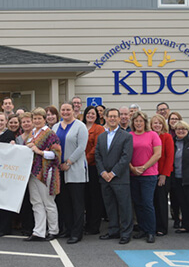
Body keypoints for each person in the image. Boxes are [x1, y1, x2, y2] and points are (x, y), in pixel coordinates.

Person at [96, 108, 134, 245]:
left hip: (120, 178)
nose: (112, 119)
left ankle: (125, 233)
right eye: (110, 116)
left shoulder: (126, 136)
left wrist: (113, 173)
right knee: (110, 206)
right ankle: (113, 230)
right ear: (105, 118)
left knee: (124, 207)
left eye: (115, 116)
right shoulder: (101, 136)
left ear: (119, 119)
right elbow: (97, 156)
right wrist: (103, 172)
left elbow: (126, 157)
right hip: (104, 178)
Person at [53, 102, 88, 244]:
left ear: (73, 111)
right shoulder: (55, 127)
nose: (66, 112)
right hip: (59, 170)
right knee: (64, 202)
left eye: (68, 110)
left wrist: (68, 162)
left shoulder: (80, 126)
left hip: (75, 170)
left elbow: (81, 147)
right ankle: (67, 229)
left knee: (77, 203)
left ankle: (77, 232)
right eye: (63, 110)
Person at [25, 107, 61, 242]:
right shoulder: (31, 134)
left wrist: (39, 152)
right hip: (33, 172)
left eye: (39, 118)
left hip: (46, 172)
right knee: (36, 202)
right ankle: (38, 231)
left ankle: (53, 230)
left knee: (48, 202)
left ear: (44, 119)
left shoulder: (50, 134)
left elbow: (56, 154)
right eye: (35, 118)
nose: (37, 120)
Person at [129, 111, 161, 244]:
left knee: (148, 203)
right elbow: (125, 154)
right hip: (133, 174)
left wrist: (143, 167)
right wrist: (132, 168)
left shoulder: (152, 135)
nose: (138, 123)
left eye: (141, 121)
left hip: (149, 175)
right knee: (138, 203)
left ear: (145, 122)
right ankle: (142, 229)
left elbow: (157, 154)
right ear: (133, 123)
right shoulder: (129, 136)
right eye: (136, 121)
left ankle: (151, 231)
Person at [82, 106, 105, 235]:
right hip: (79, 167)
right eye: (88, 113)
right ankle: (86, 223)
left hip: (92, 166)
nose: (90, 115)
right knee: (85, 197)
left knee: (94, 197)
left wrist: (85, 159)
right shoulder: (80, 126)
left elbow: (97, 147)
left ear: (97, 116)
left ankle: (94, 226)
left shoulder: (99, 129)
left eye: (93, 113)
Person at [150, 114, 174, 236]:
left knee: (161, 201)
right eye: (155, 123)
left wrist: (164, 174)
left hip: (162, 175)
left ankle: (162, 227)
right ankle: (152, 226)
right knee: (151, 202)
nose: (157, 125)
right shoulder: (149, 136)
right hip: (150, 174)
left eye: (159, 123)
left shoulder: (167, 137)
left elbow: (170, 158)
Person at [15, 112, 35, 235]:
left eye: (28, 121)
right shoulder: (18, 138)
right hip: (21, 174)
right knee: (24, 201)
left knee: (34, 200)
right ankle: (25, 226)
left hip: (34, 172)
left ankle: (33, 226)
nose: (26, 124)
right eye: (24, 122)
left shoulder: (36, 136)